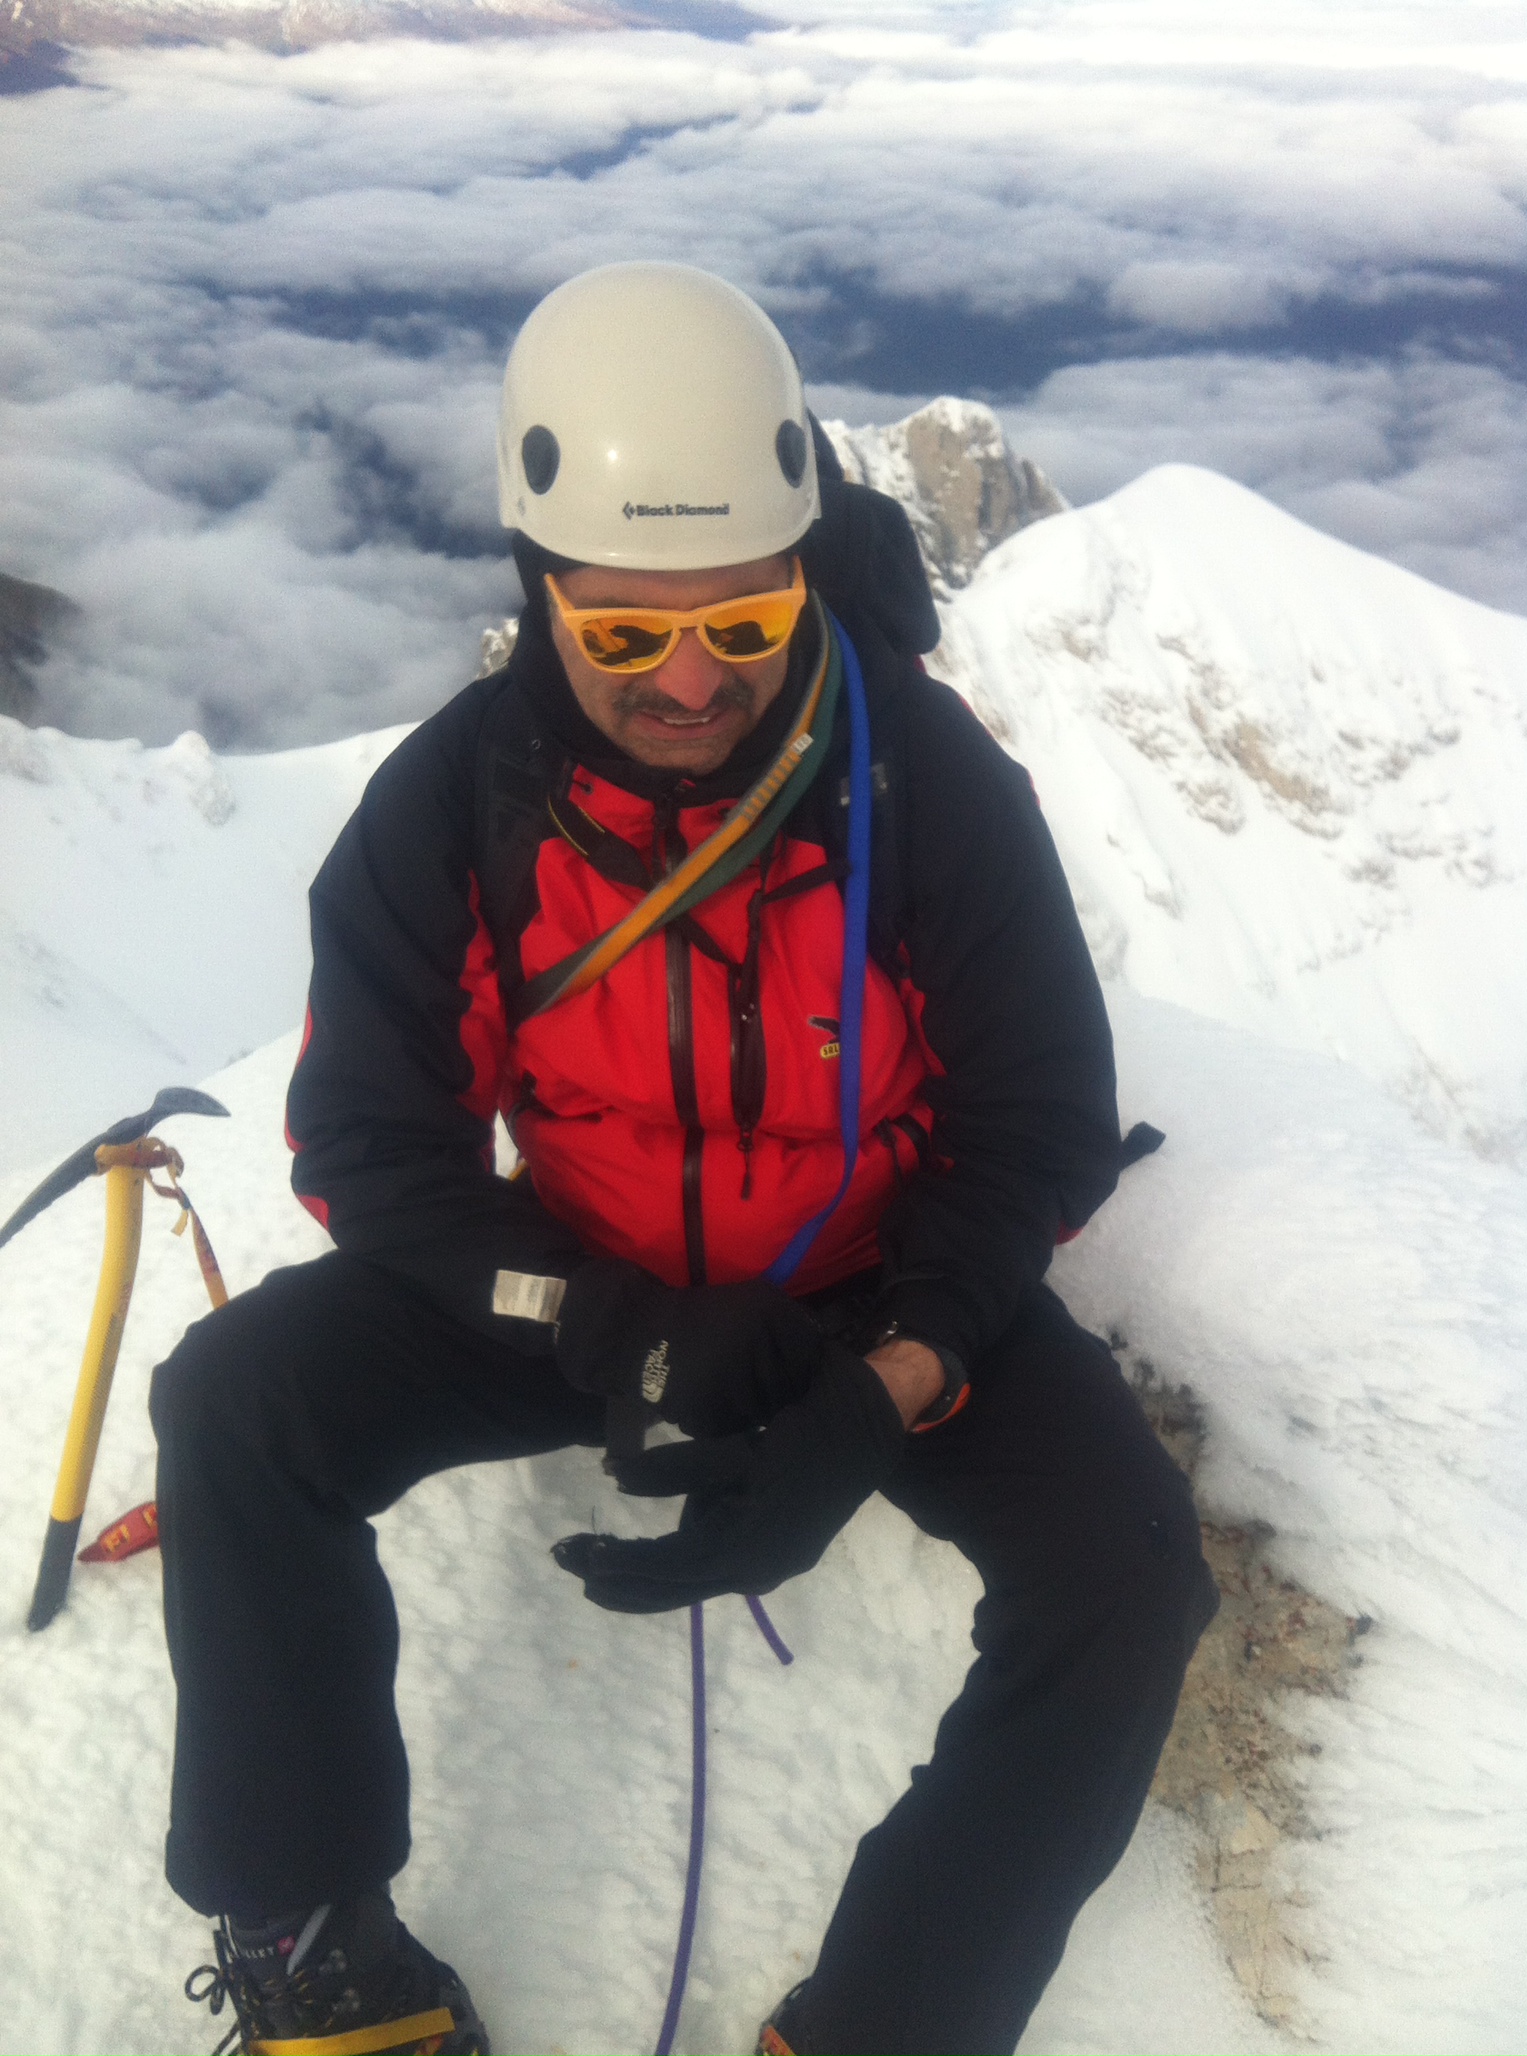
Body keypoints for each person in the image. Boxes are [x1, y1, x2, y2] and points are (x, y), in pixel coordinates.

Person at [153, 262, 1218, 2056]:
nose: (695, 676)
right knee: (239, 1405)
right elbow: (369, 1142)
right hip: (580, 1281)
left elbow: (1031, 1123)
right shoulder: (456, 808)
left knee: (1125, 1572)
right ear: (539, 591)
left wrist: (883, 1387)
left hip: (868, 1285)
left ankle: (892, 2022)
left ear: (807, 565)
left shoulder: (926, 788)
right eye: (627, 631)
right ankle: (316, 1944)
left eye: (743, 612)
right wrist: (607, 1321)